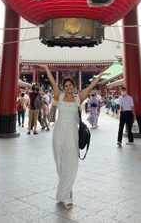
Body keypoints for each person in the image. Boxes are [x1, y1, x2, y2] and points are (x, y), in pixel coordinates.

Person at [42, 64, 107, 209]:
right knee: (59, 163)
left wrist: (99, 78)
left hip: (72, 134)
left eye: (71, 85)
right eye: (66, 85)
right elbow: (52, 82)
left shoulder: (79, 97)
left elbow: (90, 87)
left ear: (74, 86)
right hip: (59, 134)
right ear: (64, 87)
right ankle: (65, 190)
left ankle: (66, 195)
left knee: (71, 163)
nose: (69, 87)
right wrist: (46, 68)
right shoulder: (60, 96)